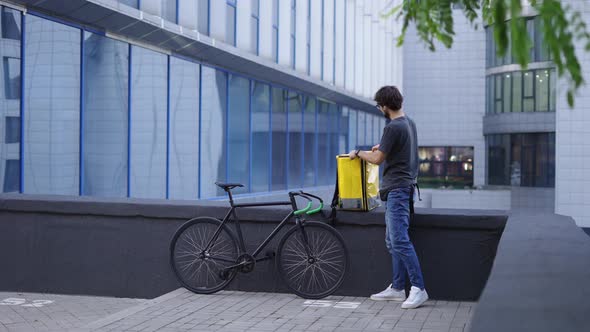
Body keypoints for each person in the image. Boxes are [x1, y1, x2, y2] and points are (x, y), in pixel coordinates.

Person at [348, 85, 428, 309]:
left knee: (400, 241)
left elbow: (376, 160)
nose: (379, 109)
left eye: (378, 105)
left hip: (398, 191)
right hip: (404, 188)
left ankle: (419, 289)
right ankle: (396, 288)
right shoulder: (408, 123)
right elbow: (397, 149)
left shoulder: (392, 127)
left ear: (384, 106)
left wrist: (358, 153)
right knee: (393, 241)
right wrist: (382, 147)